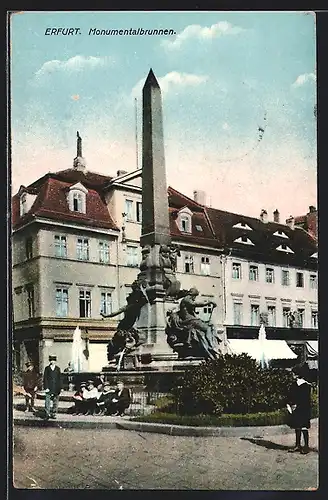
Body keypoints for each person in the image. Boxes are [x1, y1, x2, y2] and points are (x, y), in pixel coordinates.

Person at [287, 365, 312, 454]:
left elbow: (305, 399)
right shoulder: (294, 385)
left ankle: (306, 446)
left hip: (303, 409)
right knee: (297, 426)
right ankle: (297, 445)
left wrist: (297, 405)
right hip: (296, 409)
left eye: (293, 373)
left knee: (304, 427)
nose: (292, 375)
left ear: (297, 374)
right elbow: (290, 396)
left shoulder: (306, 385)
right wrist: (291, 404)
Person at [43, 355, 62, 419]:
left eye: (53, 360)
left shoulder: (58, 369)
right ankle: (47, 413)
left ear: (55, 361)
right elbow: (45, 378)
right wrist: (46, 387)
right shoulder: (47, 368)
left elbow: (60, 378)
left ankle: (54, 413)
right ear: (50, 361)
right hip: (49, 387)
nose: (52, 362)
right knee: (47, 401)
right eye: (51, 360)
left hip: (56, 387)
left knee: (55, 401)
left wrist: (61, 387)